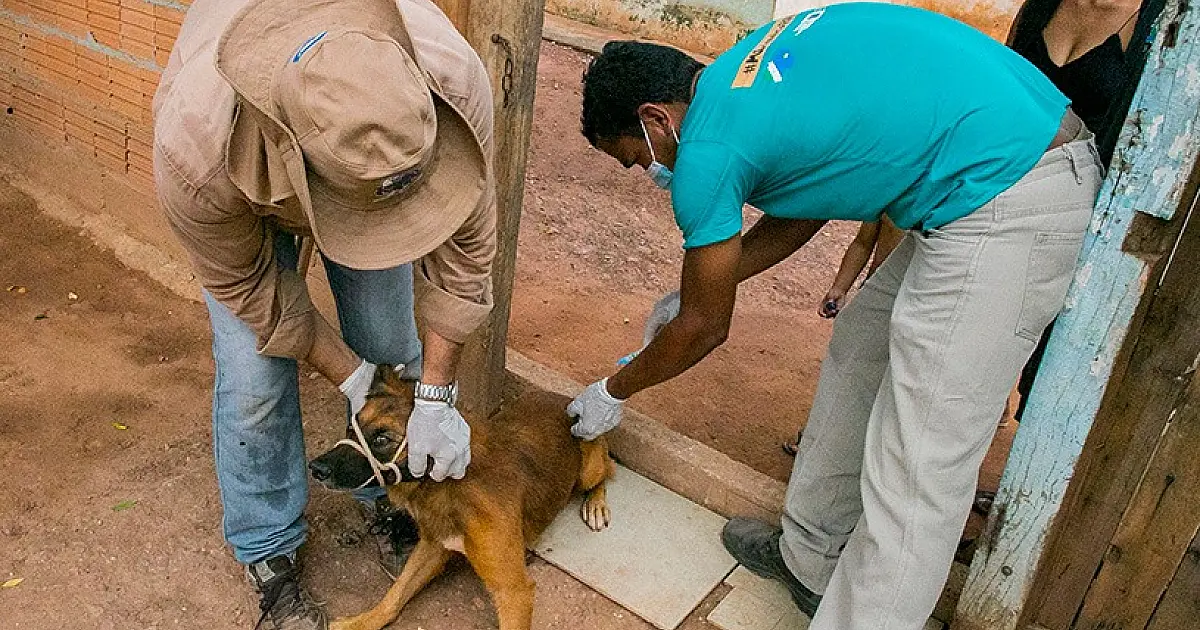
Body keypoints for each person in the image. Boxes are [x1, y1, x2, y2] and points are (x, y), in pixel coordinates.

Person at [567, 4, 1102, 629]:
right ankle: (809, 559)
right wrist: (700, 289)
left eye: (637, 158)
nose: (649, 173)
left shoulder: (707, 150)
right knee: (860, 348)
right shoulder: (742, 69)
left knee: (919, 466)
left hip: (1013, 190)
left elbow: (708, 328)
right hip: (986, 171)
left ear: (655, 118)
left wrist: (613, 390)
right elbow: (808, 202)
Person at [152, 0, 497, 627]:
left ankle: (383, 488)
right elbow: (259, 295)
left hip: (351, 170)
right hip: (246, 188)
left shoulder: (455, 84)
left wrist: (437, 394)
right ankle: (269, 550)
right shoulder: (194, 155)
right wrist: (351, 377)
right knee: (254, 379)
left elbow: (468, 260)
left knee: (390, 337)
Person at [1007, 0, 1164, 422]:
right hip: (1008, 195)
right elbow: (1002, 94)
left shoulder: (1157, 19)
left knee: (1053, 359)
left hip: (1087, 217)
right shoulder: (1040, 6)